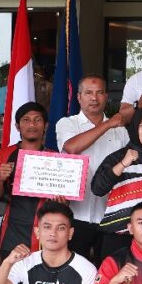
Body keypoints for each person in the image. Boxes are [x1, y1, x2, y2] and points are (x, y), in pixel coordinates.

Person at [0, 102, 53, 284]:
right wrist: (0, 179)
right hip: (12, 233)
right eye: (26, 120)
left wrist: (61, 200)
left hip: (45, 237)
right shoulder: (4, 155)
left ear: (45, 125)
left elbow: (65, 206)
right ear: (17, 126)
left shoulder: (56, 159)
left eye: (37, 120)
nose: (32, 124)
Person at [56, 75, 131, 263]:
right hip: (75, 214)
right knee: (74, 271)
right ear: (79, 97)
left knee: (106, 272)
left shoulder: (121, 131)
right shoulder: (67, 123)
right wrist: (107, 124)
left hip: (110, 216)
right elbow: (72, 147)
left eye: (99, 93)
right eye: (88, 93)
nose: (94, 98)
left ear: (106, 97)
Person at [90, 107, 142, 259]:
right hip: (118, 238)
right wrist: (123, 164)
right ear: (134, 127)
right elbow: (97, 188)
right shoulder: (116, 158)